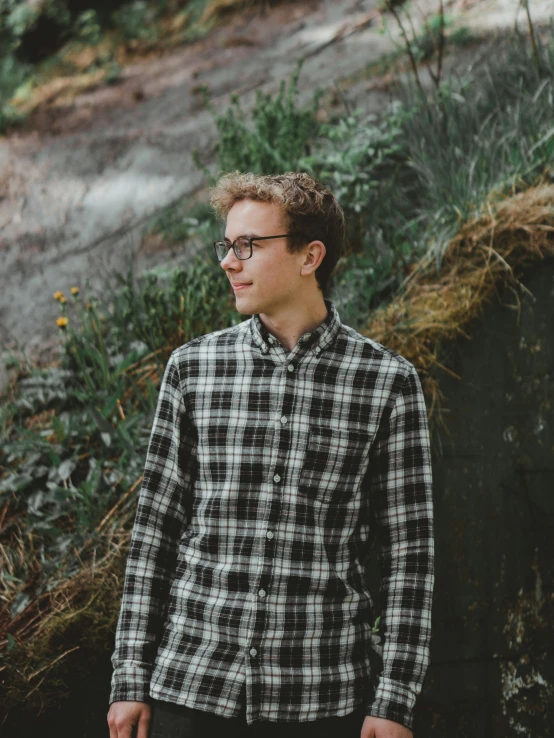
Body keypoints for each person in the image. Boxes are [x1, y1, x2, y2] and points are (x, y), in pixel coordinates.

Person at [107, 171, 435, 738]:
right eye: (226, 246)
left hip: (322, 699)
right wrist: (130, 676)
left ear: (310, 256)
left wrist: (394, 700)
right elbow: (154, 533)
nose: (228, 262)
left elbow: (410, 557)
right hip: (190, 690)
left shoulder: (386, 383)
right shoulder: (192, 371)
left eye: (248, 246)